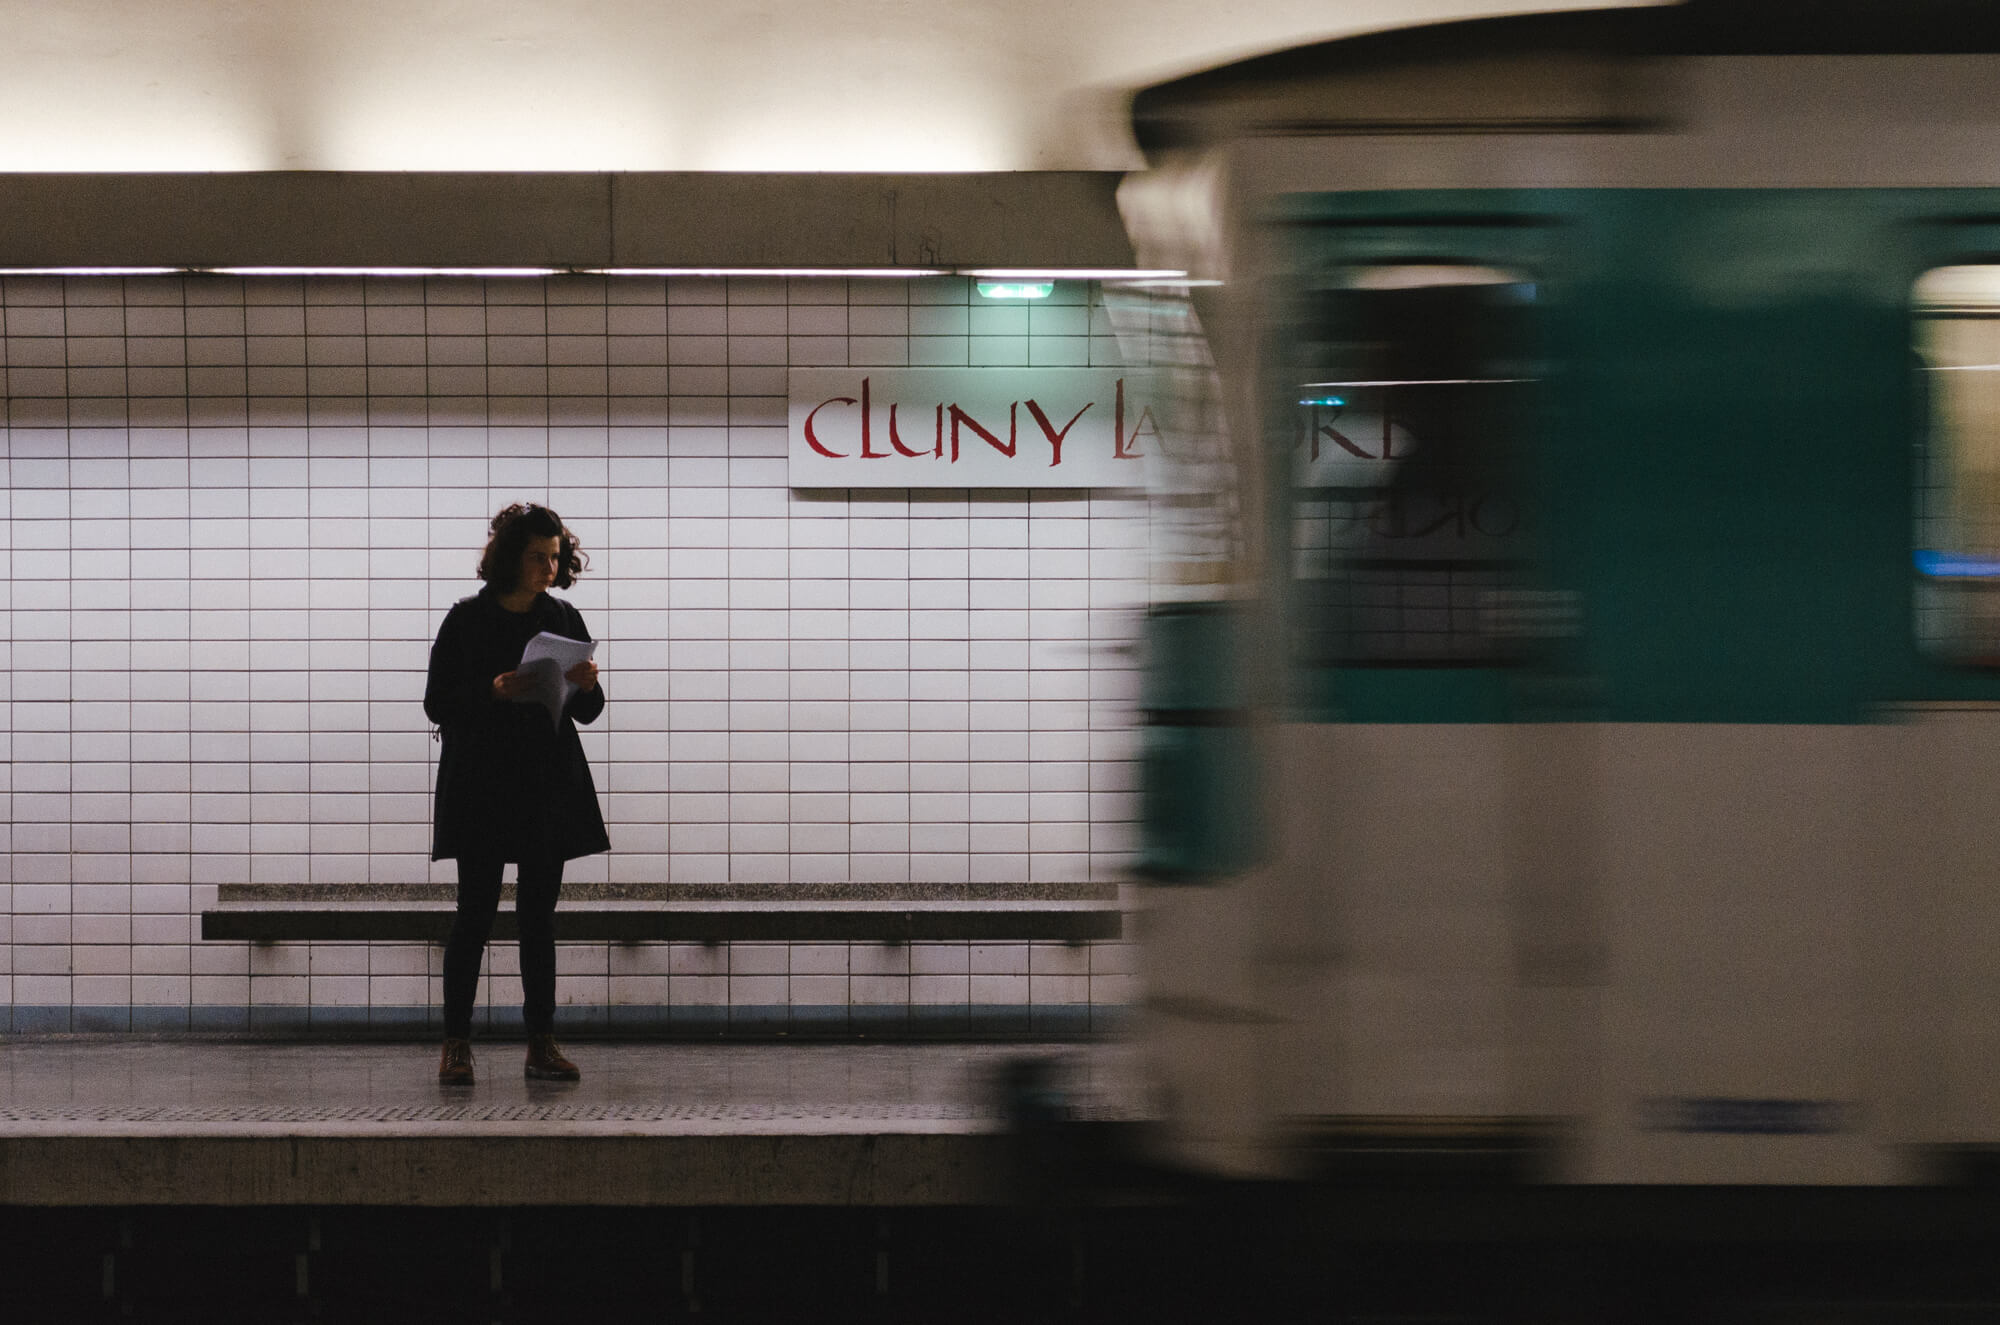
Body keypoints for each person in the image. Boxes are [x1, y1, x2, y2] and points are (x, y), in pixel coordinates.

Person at [425, 502, 609, 1085]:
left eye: (555, 556)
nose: (549, 567)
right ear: (510, 556)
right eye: (537, 556)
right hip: (482, 783)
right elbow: (436, 702)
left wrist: (586, 686)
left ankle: (541, 1042)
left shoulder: (563, 618)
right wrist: (492, 690)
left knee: (538, 918)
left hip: (544, 783)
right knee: (473, 915)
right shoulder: (466, 620)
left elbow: (591, 713)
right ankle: (457, 1045)